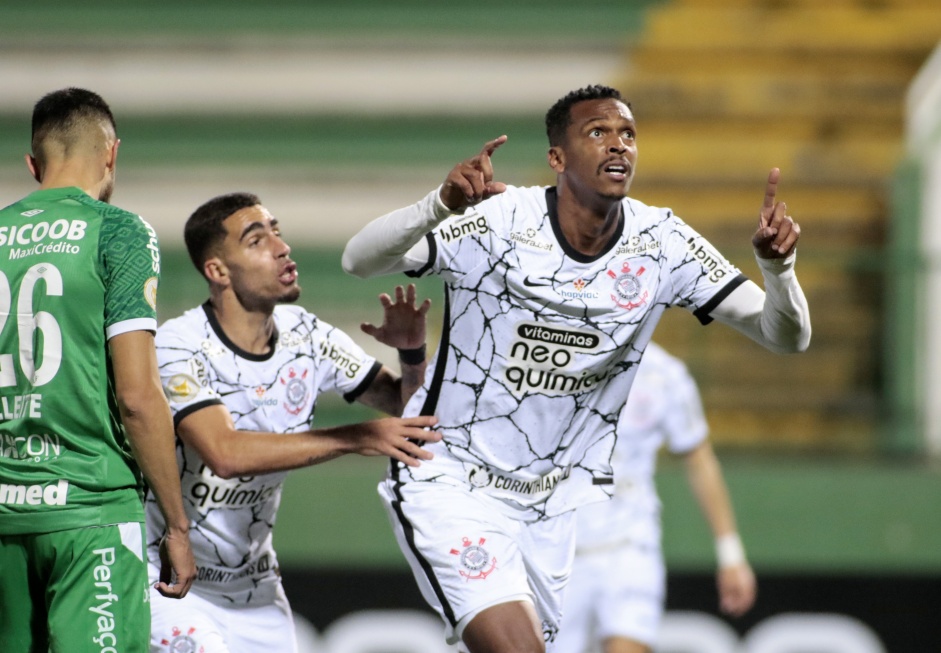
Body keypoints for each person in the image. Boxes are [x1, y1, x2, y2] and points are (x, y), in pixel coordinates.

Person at [341, 84, 810, 653]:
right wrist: (438, 203)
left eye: (628, 134)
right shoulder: (498, 221)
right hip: (451, 476)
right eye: (598, 132)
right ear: (557, 159)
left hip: (552, 507)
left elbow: (784, 337)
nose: (619, 145)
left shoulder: (663, 242)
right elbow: (358, 260)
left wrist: (777, 270)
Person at [146, 191, 440, 653]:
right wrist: (355, 437)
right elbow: (224, 453)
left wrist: (411, 354)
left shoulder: (308, 334)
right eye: (257, 240)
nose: (281, 247)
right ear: (217, 271)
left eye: (278, 232)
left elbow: (409, 410)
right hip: (170, 582)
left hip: (254, 588)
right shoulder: (178, 346)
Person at [0, 88, 196, 653]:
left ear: (33, 166)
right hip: (90, 508)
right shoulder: (118, 232)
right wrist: (177, 526)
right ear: (112, 153)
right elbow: (137, 395)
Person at [554, 341, 756, 653]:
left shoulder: (664, 374)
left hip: (630, 544)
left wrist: (731, 554)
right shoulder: (549, 363)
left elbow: (699, 459)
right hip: (557, 549)